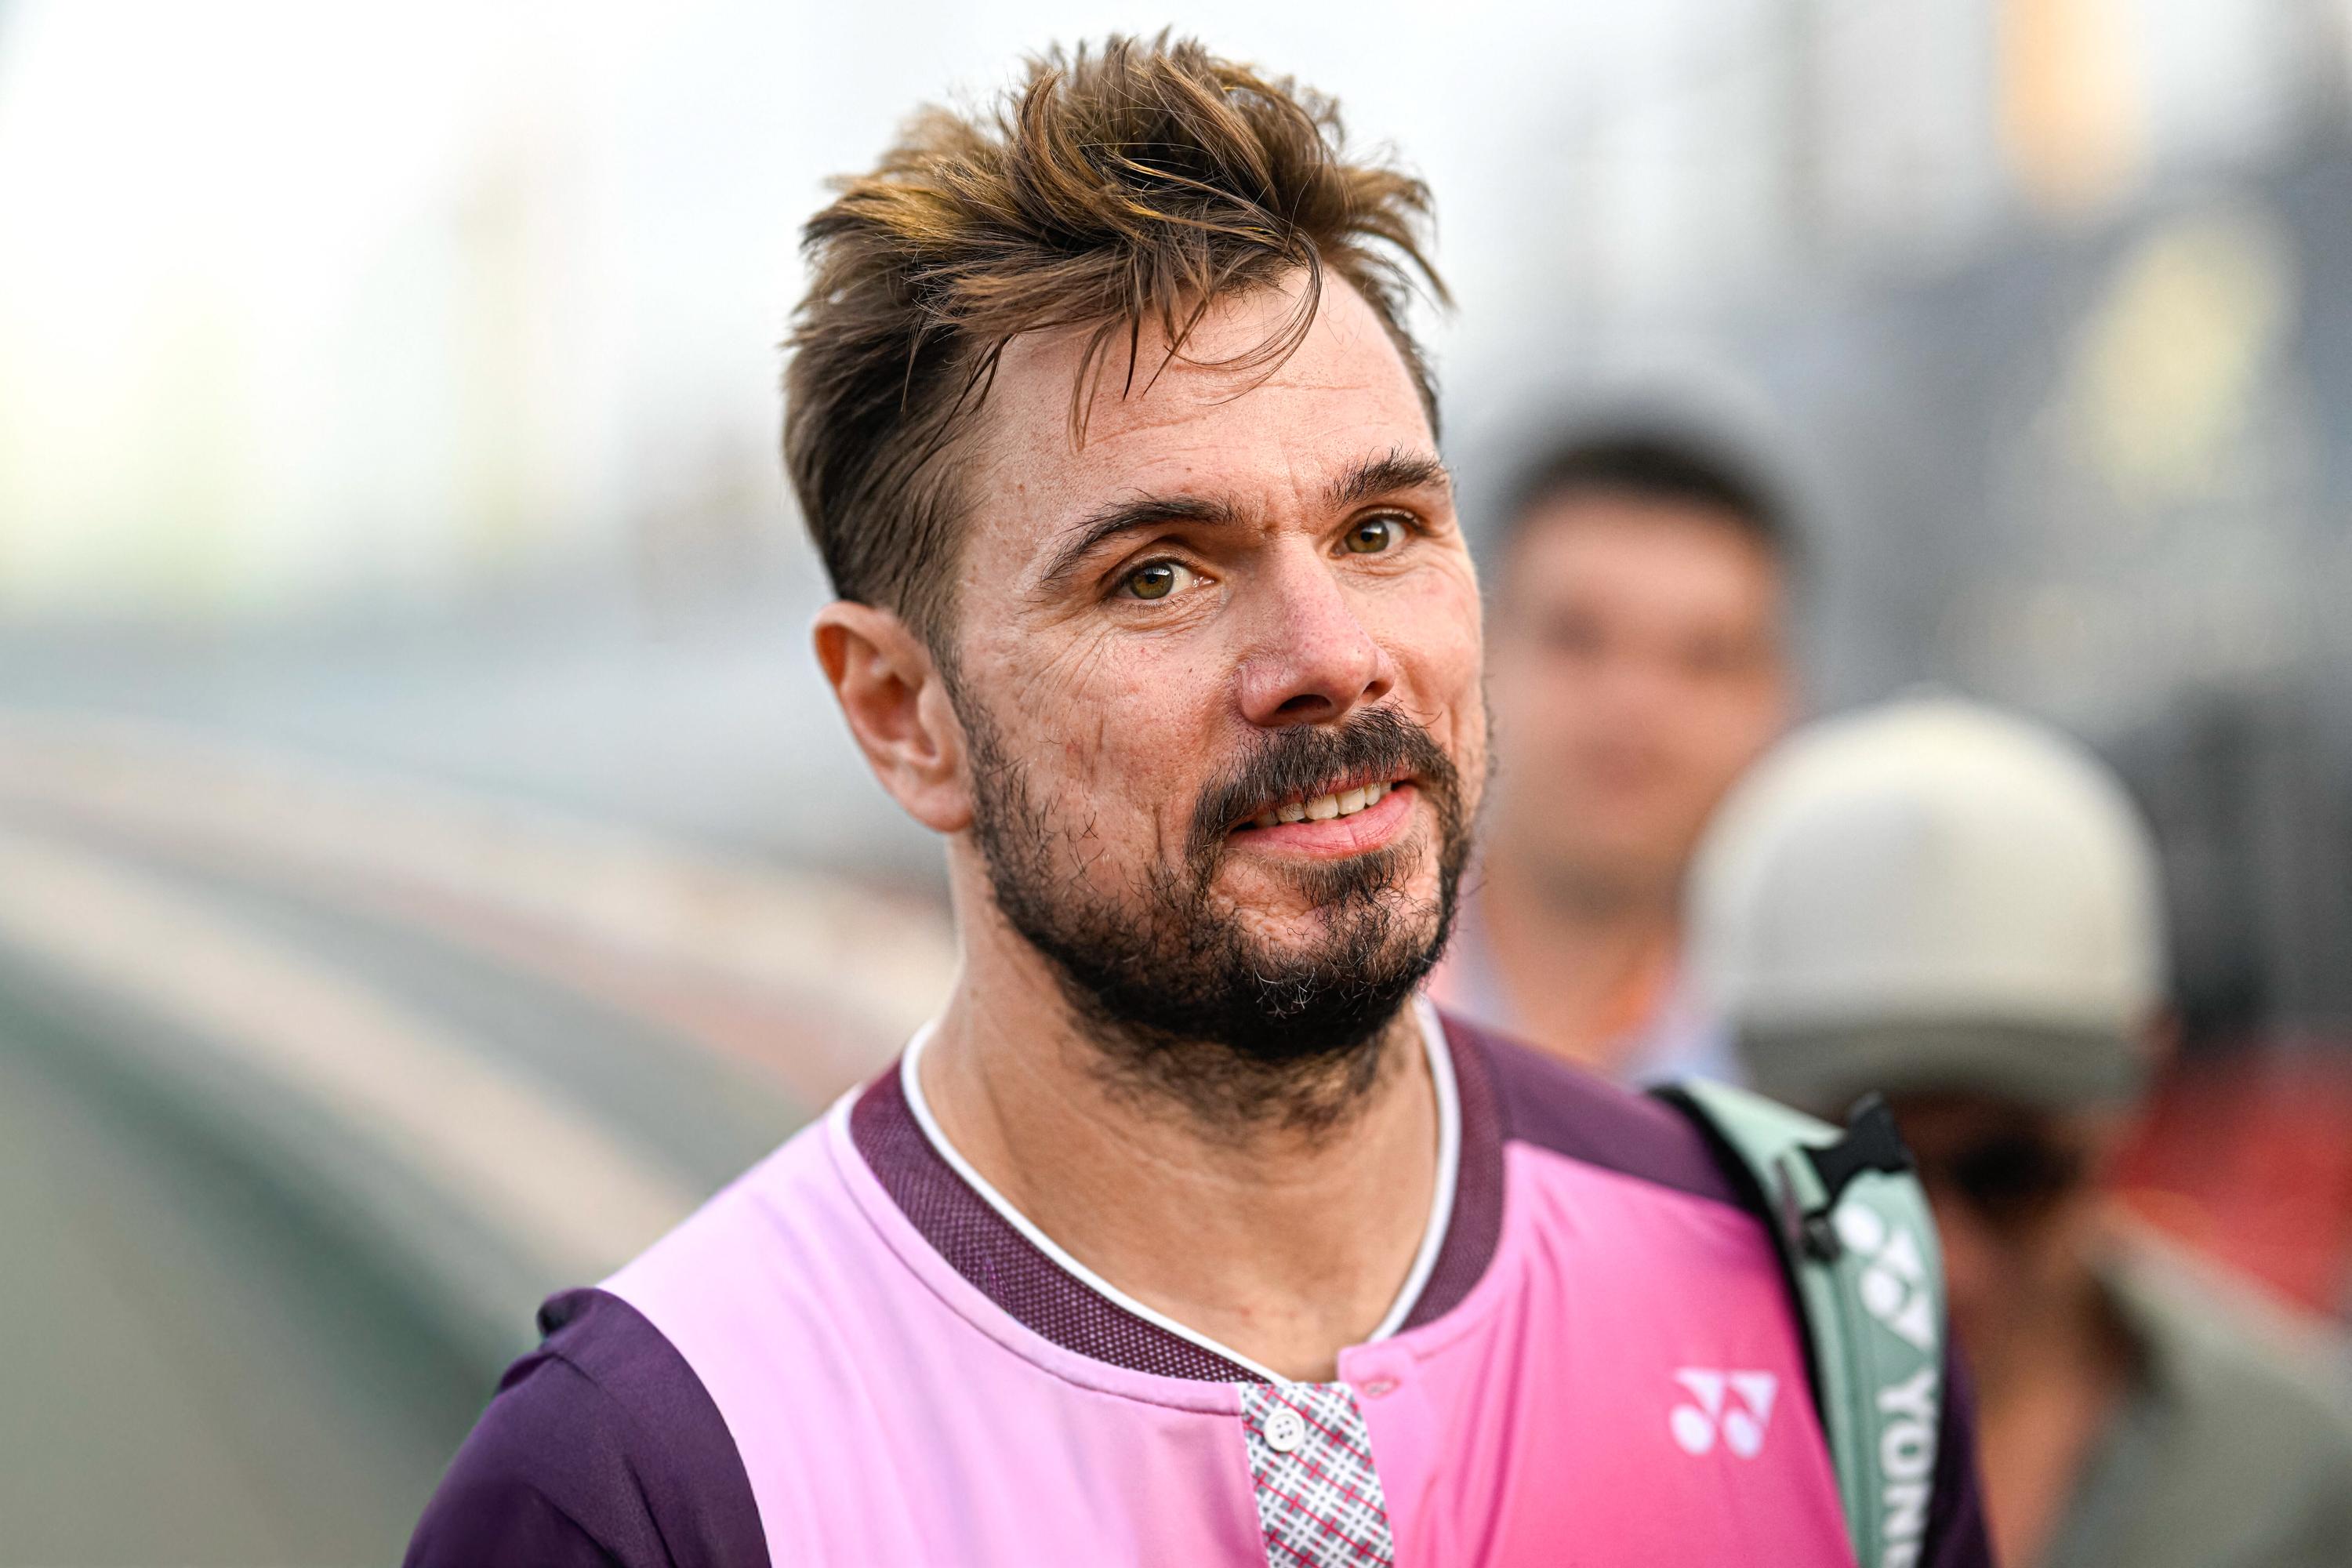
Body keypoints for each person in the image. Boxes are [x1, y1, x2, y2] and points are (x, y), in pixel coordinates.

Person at [407, 38, 1986, 1566]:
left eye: (1380, 530)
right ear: (902, 713)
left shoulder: (1813, 1292)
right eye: (1157, 574)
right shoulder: (653, 1481)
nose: (1334, 658)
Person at [1691, 695, 2352, 1568]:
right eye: (1856, 1183)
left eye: (2012, 1174)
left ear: (2134, 1089)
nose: (1942, 1257)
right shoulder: (1632, 1435)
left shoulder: (2293, 1466)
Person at [1429, 430, 1792, 1083]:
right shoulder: (1324, 988)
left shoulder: (1820, 1068)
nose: (1633, 702)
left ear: (1781, 702)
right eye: (1578, 637)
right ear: (1473, 655)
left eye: (1703, 658)